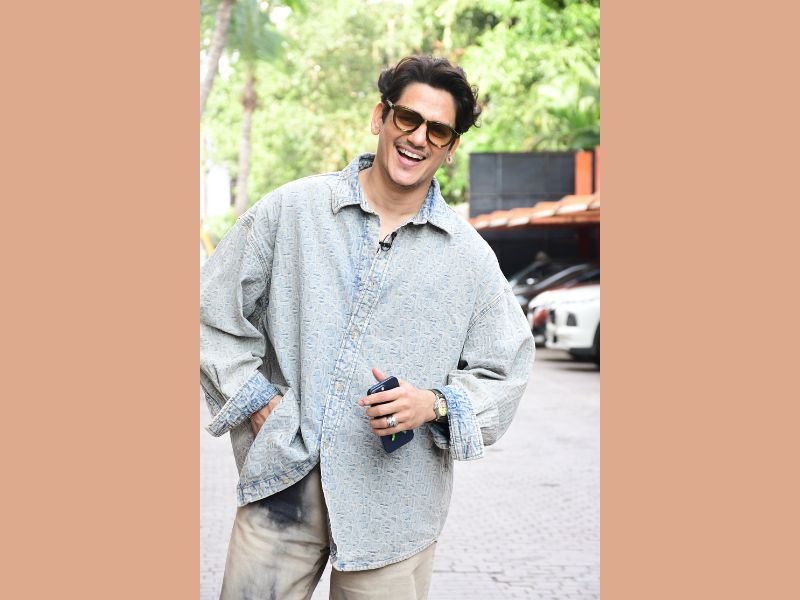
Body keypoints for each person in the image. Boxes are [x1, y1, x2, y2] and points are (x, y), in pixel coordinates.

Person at [200, 55, 535, 599]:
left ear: (450, 148)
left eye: (438, 130)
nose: (418, 138)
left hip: (395, 507)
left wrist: (434, 404)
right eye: (408, 118)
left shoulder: (470, 259)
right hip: (284, 481)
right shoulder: (293, 211)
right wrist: (257, 402)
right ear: (381, 117)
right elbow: (210, 309)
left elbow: (507, 369)